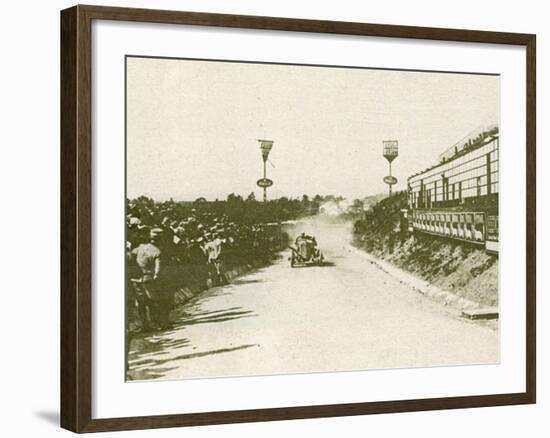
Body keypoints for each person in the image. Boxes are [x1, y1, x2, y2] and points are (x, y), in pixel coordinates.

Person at [129, 228, 163, 331]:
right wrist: (156, 275)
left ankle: (145, 325)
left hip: (136, 279)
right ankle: (156, 323)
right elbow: (158, 266)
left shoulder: (136, 249)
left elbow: (130, 260)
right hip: (149, 278)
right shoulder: (156, 250)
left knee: (141, 303)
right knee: (153, 301)